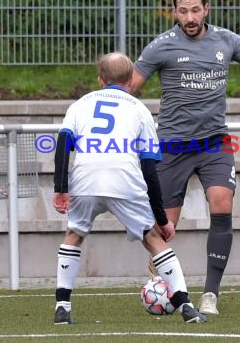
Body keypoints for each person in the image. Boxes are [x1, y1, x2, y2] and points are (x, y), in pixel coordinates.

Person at [131, 0, 240, 315]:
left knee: (221, 202)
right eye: (182, 11)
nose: (189, 17)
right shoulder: (161, 46)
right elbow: (130, 86)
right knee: (165, 228)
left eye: (195, 10)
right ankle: (160, 279)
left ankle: (210, 294)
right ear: (175, 13)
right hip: (172, 146)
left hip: (214, 144)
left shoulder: (227, 40)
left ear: (206, 10)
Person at [51, 52, 207, 325]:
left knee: (74, 234)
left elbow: (63, 144)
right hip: (125, 180)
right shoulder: (139, 110)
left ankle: (62, 308)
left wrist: (60, 188)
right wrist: (162, 220)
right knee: (152, 238)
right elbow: (149, 169)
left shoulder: (80, 104)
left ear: (100, 79)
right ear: (132, 79)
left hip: (86, 179)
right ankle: (187, 308)